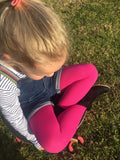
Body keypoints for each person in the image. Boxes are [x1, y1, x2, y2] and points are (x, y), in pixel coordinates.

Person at [0, 0, 109, 153]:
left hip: (48, 84)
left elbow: (49, 73)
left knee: (90, 72)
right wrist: (33, 139)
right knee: (54, 144)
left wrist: (45, 74)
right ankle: (84, 102)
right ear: (16, 59)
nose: (50, 73)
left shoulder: (19, 35)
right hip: (32, 103)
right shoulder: (3, 83)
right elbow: (15, 120)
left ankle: (59, 111)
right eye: (43, 71)